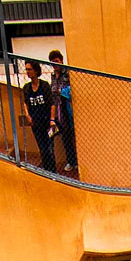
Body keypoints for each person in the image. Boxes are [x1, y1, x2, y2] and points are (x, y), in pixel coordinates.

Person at [21, 60, 56, 172]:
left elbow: (52, 104)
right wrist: (27, 115)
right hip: (36, 123)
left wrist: (52, 119)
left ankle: (53, 172)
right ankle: (47, 171)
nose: (28, 72)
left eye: (30, 69)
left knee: (49, 148)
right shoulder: (26, 88)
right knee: (42, 149)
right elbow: (25, 102)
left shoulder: (44, 85)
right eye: (26, 69)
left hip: (46, 121)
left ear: (36, 70)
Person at [49, 50, 78, 178]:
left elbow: (72, 88)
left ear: (61, 60)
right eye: (52, 62)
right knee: (65, 136)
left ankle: (77, 161)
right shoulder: (53, 76)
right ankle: (71, 161)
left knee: (73, 135)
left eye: (56, 61)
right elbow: (53, 93)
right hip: (58, 108)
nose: (55, 64)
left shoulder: (67, 73)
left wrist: (61, 91)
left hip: (68, 107)